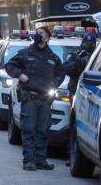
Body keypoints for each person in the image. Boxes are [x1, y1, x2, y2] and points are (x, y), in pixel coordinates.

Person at [5, 26, 65, 171]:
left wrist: (54, 84)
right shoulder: (25, 53)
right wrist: (19, 75)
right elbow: (9, 65)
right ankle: (29, 161)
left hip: (45, 100)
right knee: (28, 130)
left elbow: (61, 74)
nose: (38, 35)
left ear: (46, 38)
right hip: (29, 99)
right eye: (37, 33)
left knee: (42, 131)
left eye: (41, 33)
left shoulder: (53, 58)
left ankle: (40, 160)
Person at [63, 31, 97, 104]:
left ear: (95, 45)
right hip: (75, 91)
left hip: (92, 93)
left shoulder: (97, 57)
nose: (88, 46)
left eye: (91, 44)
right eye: (86, 43)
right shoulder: (75, 55)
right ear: (82, 44)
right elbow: (65, 68)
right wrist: (77, 62)